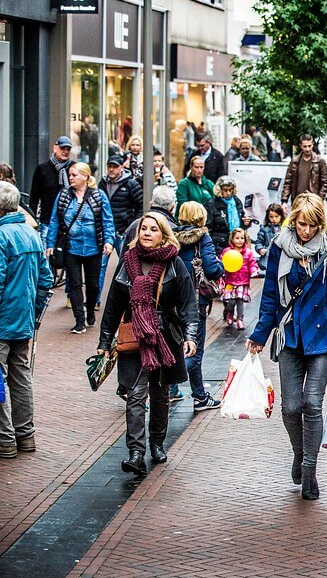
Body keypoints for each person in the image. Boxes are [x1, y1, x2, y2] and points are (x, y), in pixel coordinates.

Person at [247, 193, 327, 500]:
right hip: (289, 337)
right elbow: (269, 297)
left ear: (320, 224)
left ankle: (310, 469)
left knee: (312, 403)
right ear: (292, 220)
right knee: (290, 406)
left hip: (323, 339)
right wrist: (259, 335)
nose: (305, 230)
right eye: (300, 223)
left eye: (311, 225)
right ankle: (299, 451)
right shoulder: (279, 250)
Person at [97, 213, 199, 475]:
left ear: (163, 234)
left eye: (154, 229)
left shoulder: (175, 263)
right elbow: (112, 307)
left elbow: (188, 304)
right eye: (144, 228)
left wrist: (190, 336)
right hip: (135, 336)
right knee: (134, 394)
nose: (147, 233)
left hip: (165, 337)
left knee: (161, 394)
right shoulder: (126, 262)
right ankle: (136, 451)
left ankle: (156, 443)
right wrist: (104, 341)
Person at [0, 182, 53, 459]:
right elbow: (46, 280)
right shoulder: (31, 234)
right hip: (23, 320)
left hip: (3, 320)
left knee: (3, 377)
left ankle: (6, 439)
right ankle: (26, 435)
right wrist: (34, 312)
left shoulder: (1, 236)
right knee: (21, 377)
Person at [45, 163, 115, 333]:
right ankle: (79, 320)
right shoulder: (63, 196)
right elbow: (54, 221)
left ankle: (90, 309)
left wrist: (109, 241)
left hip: (94, 248)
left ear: (85, 176)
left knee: (92, 285)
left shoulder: (98, 196)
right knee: (74, 284)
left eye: (74, 175)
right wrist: (50, 244)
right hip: (71, 247)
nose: (71, 178)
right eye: (70, 175)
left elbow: (107, 220)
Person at [172, 202, 224, 411]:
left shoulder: (172, 238)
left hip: (174, 301)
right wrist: (221, 266)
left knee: (180, 345)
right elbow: (212, 268)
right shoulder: (203, 238)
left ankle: (199, 396)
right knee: (195, 350)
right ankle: (168, 384)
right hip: (196, 302)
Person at [97, 154, 144, 305]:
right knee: (101, 266)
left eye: (114, 166)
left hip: (122, 231)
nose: (111, 169)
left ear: (121, 167)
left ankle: (128, 298)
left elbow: (140, 206)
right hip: (106, 233)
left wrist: (131, 227)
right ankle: (95, 300)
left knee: (127, 264)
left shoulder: (131, 184)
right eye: (109, 166)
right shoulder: (102, 184)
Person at [30, 136, 74, 247]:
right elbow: (34, 198)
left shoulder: (74, 169)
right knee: (47, 254)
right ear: (55, 148)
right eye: (62, 148)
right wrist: (32, 221)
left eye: (68, 149)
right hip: (47, 220)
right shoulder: (42, 169)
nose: (65, 151)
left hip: (70, 222)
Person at [221, 228, 258, 330]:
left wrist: (254, 271)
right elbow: (222, 262)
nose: (240, 240)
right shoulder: (227, 252)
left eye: (242, 238)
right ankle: (230, 313)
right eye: (237, 238)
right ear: (232, 239)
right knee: (231, 301)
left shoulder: (248, 253)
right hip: (230, 281)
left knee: (240, 301)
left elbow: (252, 264)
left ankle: (240, 320)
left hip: (243, 281)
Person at [204, 176, 252, 254]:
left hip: (236, 243)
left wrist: (246, 223)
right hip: (218, 244)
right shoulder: (211, 204)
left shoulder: (237, 201)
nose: (228, 193)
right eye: (225, 190)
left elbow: (241, 224)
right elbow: (208, 226)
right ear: (219, 190)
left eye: (230, 190)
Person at [281, 134, 327, 205]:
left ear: (313, 145)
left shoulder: (319, 161)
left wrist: (318, 199)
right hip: (297, 200)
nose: (307, 149)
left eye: (309, 146)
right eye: (305, 146)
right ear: (301, 146)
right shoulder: (295, 161)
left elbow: (326, 183)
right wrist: (284, 201)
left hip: (313, 202)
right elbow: (288, 182)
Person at [255, 203, 285, 277]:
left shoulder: (285, 228)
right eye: (271, 217)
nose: (274, 219)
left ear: (281, 216)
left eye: (276, 216)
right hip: (268, 259)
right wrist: (260, 249)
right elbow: (258, 242)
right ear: (268, 217)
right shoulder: (264, 228)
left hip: (281, 259)